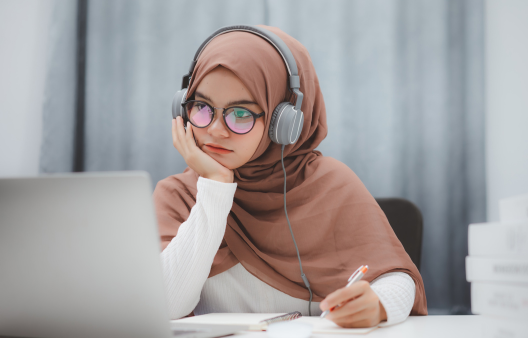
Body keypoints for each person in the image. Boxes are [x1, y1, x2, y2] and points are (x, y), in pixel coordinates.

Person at [154, 25, 427, 328]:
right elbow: (166, 304)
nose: (216, 129)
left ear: (284, 122)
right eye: (201, 107)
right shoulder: (178, 194)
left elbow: (398, 280)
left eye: (241, 114)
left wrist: (379, 304)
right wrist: (215, 187)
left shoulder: (330, 184)